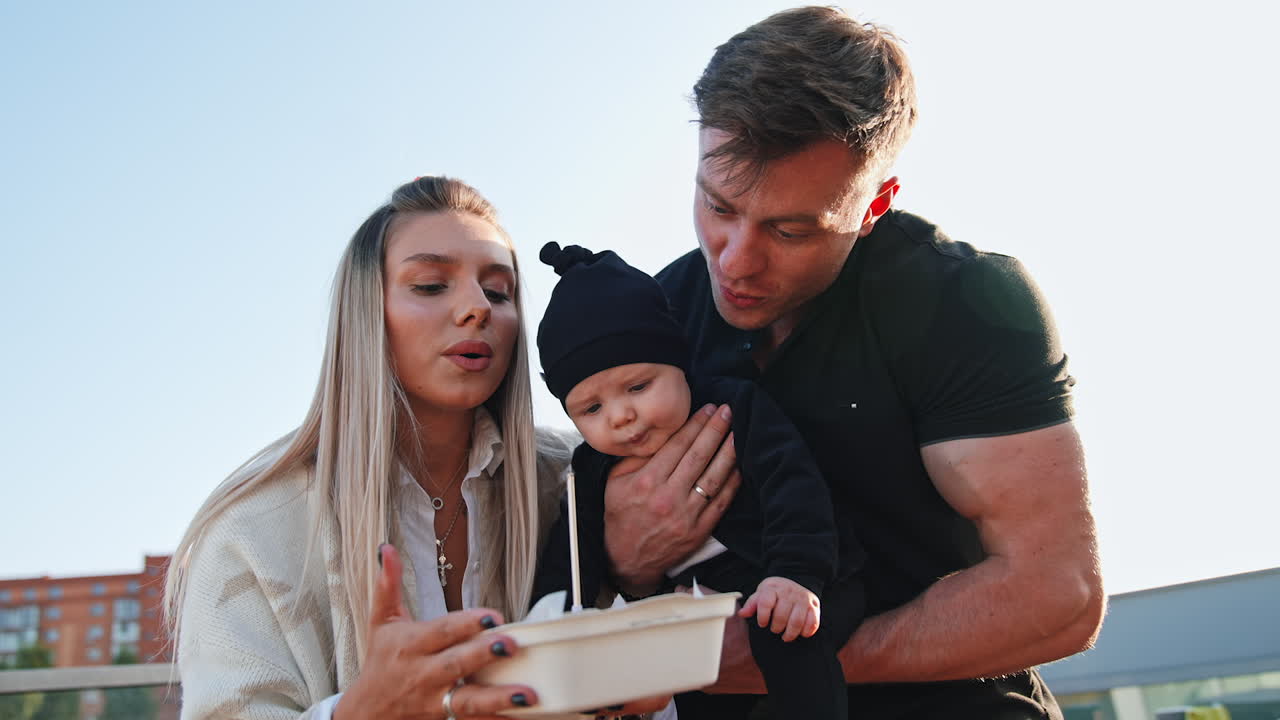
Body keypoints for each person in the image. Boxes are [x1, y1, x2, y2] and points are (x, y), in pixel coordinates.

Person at [601, 7, 1106, 719]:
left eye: (790, 228)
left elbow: (1059, 598)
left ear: (876, 204)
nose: (736, 260)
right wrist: (624, 558)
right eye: (717, 206)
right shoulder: (652, 319)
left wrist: (794, 660)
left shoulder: (964, 301)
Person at [162, 176, 662, 720]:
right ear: (365, 314)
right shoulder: (251, 528)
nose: (478, 308)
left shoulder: (577, 482)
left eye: (499, 291)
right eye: (429, 285)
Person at [530, 242, 865, 719]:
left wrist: (794, 574)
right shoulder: (586, 469)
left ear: (678, 362)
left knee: (788, 645)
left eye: (638, 387)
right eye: (592, 408)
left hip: (794, 574)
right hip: (697, 604)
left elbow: (795, 489)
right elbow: (570, 551)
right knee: (684, 683)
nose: (622, 416)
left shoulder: (734, 407)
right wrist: (554, 615)